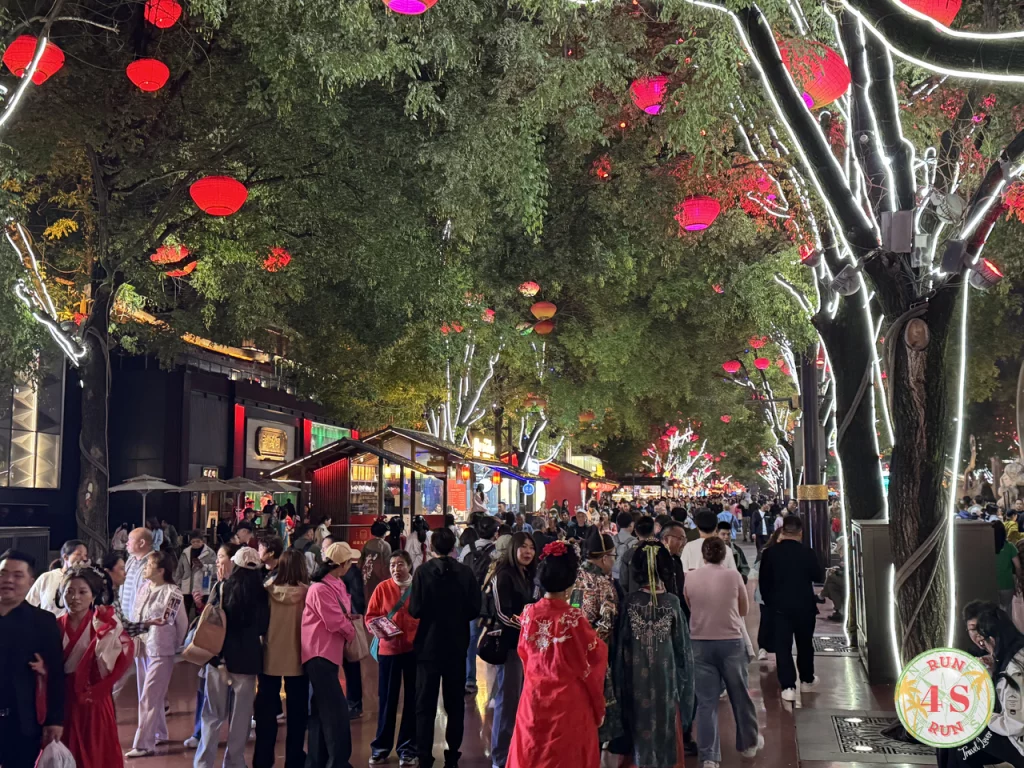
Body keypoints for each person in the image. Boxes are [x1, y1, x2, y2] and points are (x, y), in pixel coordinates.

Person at [506, 541, 607, 768]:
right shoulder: (574, 618)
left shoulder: (528, 614)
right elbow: (594, 657)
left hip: (534, 696)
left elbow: (524, 654)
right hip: (568, 701)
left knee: (532, 751)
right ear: (570, 580)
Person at [684, 537, 762, 766]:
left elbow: (690, 606)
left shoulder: (690, 577)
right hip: (731, 642)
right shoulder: (734, 576)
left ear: (703, 554)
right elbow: (744, 609)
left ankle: (709, 757)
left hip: (699, 642)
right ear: (725, 554)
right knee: (740, 695)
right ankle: (748, 744)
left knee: (706, 703)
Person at [616, 542, 694, 768]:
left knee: (638, 728)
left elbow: (621, 650)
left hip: (634, 681)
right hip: (666, 681)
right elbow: (683, 653)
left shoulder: (629, 603)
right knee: (666, 728)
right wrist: (686, 693)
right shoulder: (672, 603)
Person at [409, 527, 482, 768]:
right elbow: (474, 608)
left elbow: (415, 609)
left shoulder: (422, 572)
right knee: (455, 703)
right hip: (456, 644)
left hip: (428, 645)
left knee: (425, 703)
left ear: (431, 547)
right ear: (453, 547)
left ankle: (424, 756)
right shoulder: (465, 573)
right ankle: (452, 755)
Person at [195, 547, 271, 768]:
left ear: (235, 565)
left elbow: (208, 619)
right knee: (241, 717)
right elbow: (262, 627)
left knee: (212, 715)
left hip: (220, 658)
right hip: (247, 661)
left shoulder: (222, 588)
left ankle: (204, 763)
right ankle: (234, 762)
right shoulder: (262, 594)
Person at [55, 566, 134, 768]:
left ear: (93, 596)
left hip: (94, 699)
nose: (75, 597)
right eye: (69, 591)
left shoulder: (103, 625)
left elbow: (120, 657)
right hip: (62, 699)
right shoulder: (54, 625)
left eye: (83, 592)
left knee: (96, 751)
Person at [937, 601, 1024, 767]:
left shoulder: (1014, 669)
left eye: (983, 637)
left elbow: (1014, 725)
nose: (978, 639)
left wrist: (981, 716)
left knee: (959, 739)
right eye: (972, 630)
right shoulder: (1014, 654)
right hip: (1011, 731)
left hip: (1017, 741)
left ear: (993, 638)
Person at [0, 550, 66, 768]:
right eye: (3, 573)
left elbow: (56, 673)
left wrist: (55, 720)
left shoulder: (43, 622)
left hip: (22, 721)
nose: (8, 580)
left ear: (30, 582)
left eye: (17, 575)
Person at [302, 541, 358, 768]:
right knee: (337, 712)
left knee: (320, 711)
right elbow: (334, 621)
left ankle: (317, 760)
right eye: (349, 562)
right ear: (342, 565)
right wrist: (352, 631)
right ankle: (338, 762)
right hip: (319, 654)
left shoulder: (335, 584)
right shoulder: (320, 589)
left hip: (327, 654)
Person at [126, 551, 187, 758]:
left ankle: (144, 744)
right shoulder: (144, 588)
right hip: (142, 647)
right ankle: (159, 733)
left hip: (161, 649)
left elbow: (181, 624)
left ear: (161, 570)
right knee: (149, 694)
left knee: (149, 695)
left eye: (149, 565)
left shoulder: (172, 593)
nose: (145, 568)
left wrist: (173, 646)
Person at [254, 549, 309, 768]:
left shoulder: (267, 590)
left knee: (266, 714)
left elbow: (260, 624)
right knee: (297, 715)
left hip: (270, 658)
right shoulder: (308, 593)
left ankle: (262, 760)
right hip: (299, 659)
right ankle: (294, 760)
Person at [758, 515, 822, 701]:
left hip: (779, 609)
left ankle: (788, 686)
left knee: (783, 647)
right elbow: (818, 576)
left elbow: (764, 584)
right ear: (800, 532)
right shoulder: (808, 552)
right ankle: (807, 680)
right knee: (805, 644)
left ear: (783, 530)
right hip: (805, 607)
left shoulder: (770, 553)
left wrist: (771, 604)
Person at [366, 550, 419, 766]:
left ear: (409, 565)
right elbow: (370, 616)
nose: (396, 569)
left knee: (412, 700)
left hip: (414, 650)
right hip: (388, 650)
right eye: (392, 565)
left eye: (400, 564)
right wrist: (382, 629)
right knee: (387, 699)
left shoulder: (419, 587)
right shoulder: (382, 588)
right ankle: (381, 747)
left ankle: (408, 748)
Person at [572, 529, 622, 753]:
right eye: (613, 556)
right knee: (596, 709)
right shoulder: (604, 584)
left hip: (568, 651)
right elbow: (607, 624)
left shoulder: (572, 577)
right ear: (604, 558)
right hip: (595, 657)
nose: (613, 561)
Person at [491, 532, 538, 768]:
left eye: (531, 547)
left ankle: (518, 751)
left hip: (527, 645)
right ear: (513, 549)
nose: (528, 552)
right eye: (523, 547)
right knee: (507, 701)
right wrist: (528, 626)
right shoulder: (503, 575)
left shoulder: (528, 574)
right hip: (510, 645)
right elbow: (501, 613)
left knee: (523, 699)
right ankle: (500, 757)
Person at [463, 514, 498, 694]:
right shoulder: (496, 551)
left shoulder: (467, 549)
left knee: (470, 639)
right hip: (491, 601)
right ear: (495, 533)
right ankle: (496, 684)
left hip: (471, 600)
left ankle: (469, 679)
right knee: (495, 636)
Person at [339, 542, 367, 719]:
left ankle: (354, 704)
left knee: (351, 664)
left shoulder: (351, 573)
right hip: (344, 624)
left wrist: (351, 620)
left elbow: (357, 600)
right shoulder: (336, 575)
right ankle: (352, 703)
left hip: (347, 624)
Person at [27, 538, 89, 614]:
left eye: (85, 555)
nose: (84, 558)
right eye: (79, 554)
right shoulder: (47, 577)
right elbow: (29, 604)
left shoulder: (86, 580)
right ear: (65, 557)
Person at [175, 531, 216, 619]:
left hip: (202, 587)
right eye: (193, 542)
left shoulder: (210, 552)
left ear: (203, 541)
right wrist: (177, 583)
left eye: (198, 541)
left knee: (200, 613)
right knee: (184, 612)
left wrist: (203, 566)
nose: (195, 544)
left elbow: (215, 569)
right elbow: (180, 569)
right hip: (186, 586)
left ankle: (198, 627)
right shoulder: (185, 552)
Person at [618, 516, 659, 595]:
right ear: (653, 531)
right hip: (659, 598)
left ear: (636, 532)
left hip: (635, 597)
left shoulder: (628, 554)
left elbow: (623, 582)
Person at [362, 519, 394, 600]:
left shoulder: (368, 543)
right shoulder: (385, 545)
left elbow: (361, 560)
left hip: (367, 574)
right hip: (379, 575)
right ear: (384, 533)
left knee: (368, 596)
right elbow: (387, 564)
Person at [996, 521, 1022, 614]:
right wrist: (1019, 581)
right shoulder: (1010, 546)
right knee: (1007, 610)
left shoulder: (986, 547)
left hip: (991, 584)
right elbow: (1018, 567)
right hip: (1007, 584)